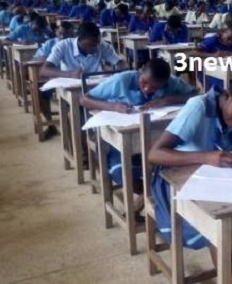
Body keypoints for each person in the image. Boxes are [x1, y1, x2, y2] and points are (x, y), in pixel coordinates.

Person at [148, 75, 232, 284]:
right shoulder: (199, 107)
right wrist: (205, 156)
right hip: (176, 181)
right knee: (219, 229)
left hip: (215, 180)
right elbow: (155, 154)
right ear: (227, 95)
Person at [80, 58, 196, 213]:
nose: (148, 89)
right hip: (121, 137)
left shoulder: (171, 82)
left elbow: (194, 95)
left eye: (155, 88)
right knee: (120, 170)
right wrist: (113, 106)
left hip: (154, 139)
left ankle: (149, 198)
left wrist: (166, 99)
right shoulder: (121, 81)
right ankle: (148, 195)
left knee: (171, 166)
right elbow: (84, 99)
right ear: (140, 71)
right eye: (144, 83)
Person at [40, 21, 126, 79]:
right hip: (72, 85)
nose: (95, 48)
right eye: (90, 45)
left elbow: (120, 63)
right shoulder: (63, 46)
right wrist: (69, 74)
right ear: (80, 39)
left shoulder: (102, 45)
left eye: (97, 44)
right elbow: (44, 71)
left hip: (95, 84)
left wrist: (117, 73)